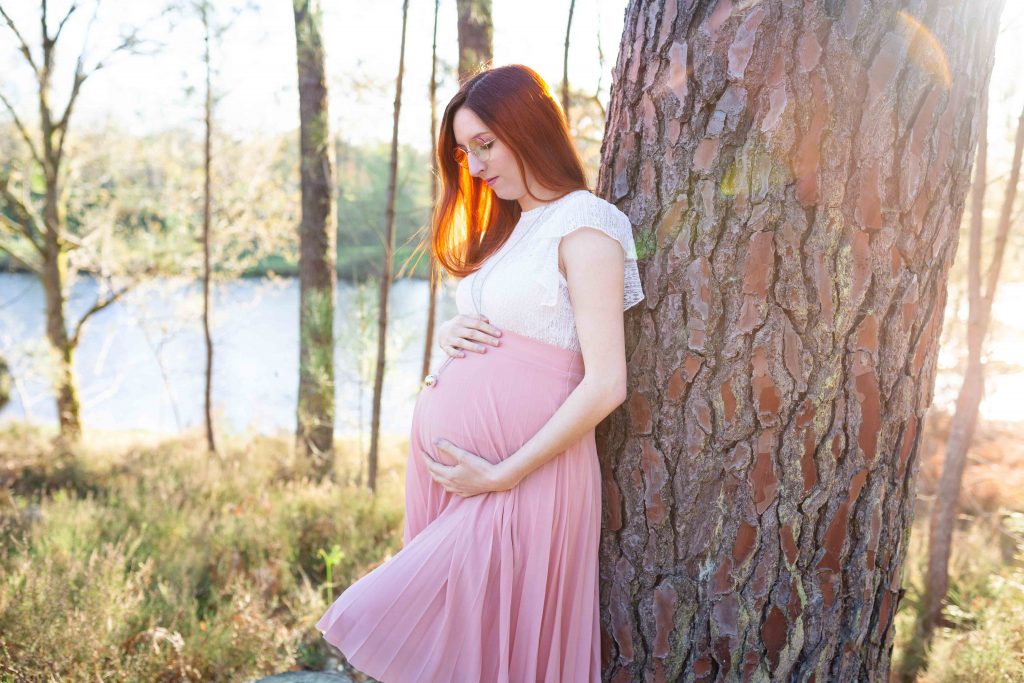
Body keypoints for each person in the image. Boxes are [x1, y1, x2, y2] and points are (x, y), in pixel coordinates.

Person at [316, 63, 644, 682]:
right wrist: (452, 337)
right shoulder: (512, 231)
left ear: (529, 126)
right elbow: (508, 327)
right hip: (464, 476)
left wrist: (499, 476)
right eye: (465, 152)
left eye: (484, 144)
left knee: (403, 619)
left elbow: (606, 382)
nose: (474, 166)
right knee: (470, 652)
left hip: (525, 476)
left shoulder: (587, 223)